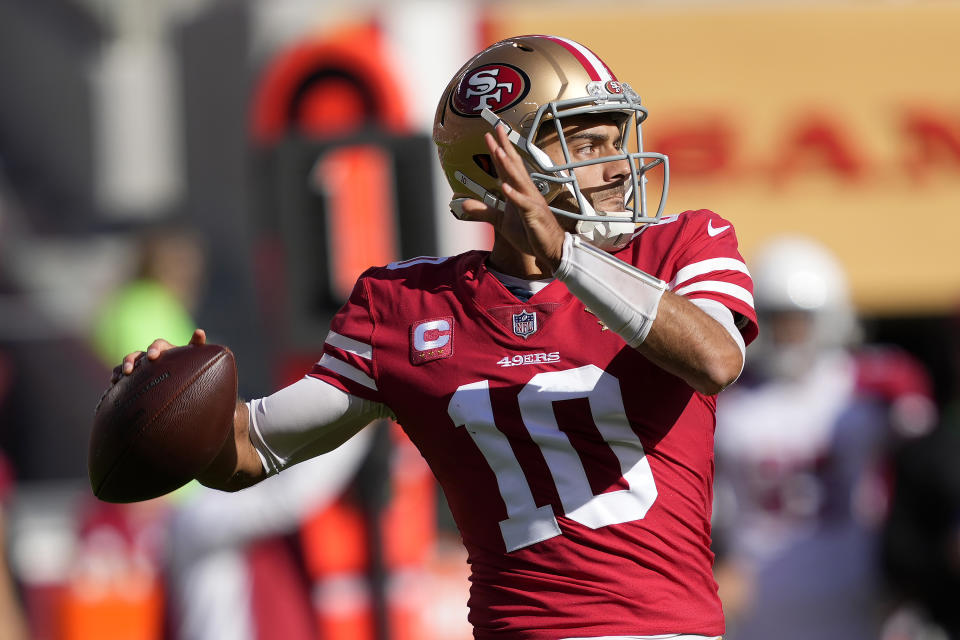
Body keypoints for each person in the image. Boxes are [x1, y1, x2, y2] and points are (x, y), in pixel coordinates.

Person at [113, 35, 757, 639]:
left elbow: (716, 359)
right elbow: (250, 452)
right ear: (495, 164)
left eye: (617, 139)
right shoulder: (406, 308)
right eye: (584, 145)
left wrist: (564, 254)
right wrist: (158, 403)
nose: (618, 167)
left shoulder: (681, 247)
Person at [711, 236, 936, 640]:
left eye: (799, 320)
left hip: (857, 587)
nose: (791, 334)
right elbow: (707, 504)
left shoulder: (874, 388)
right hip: (758, 593)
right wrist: (717, 560)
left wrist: (909, 572)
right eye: (779, 320)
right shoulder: (728, 402)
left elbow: (926, 479)